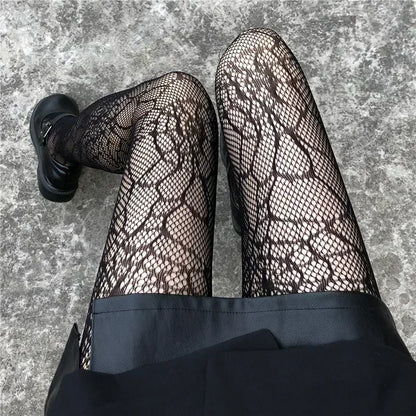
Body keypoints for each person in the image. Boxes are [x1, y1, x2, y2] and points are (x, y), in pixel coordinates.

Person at [30, 28, 416, 415]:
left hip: (142, 391)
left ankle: (58, 144)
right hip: (346, 381)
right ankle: (251, 192)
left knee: (175, 103)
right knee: (255, 62)